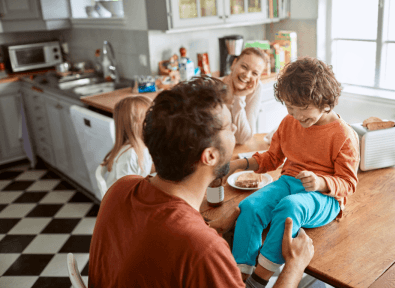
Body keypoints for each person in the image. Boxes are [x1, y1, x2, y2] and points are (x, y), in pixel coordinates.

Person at [88, 76, 314, 288]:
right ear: (210, 156)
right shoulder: (203, 250)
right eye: (228, 126)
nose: (234, 128)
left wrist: (210, 230)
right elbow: (188, 245)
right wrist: (293, 267)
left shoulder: (121, 187)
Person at [228, 57, 360, 283]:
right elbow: (272, 158)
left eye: (304, 108)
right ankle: (240, 276)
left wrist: (320, 182)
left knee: (291, 206)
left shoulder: (344, 135)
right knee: (249, 206)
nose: (297, 116)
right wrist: (237, 164)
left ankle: (259, 279)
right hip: (288, 182)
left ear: (324, 100)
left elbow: (348, 184)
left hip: (324, 197)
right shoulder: (289, 122)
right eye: (290, 107)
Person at [101, 95, 155, 189]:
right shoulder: (130, 155)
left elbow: (143, 170)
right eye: (150, 117)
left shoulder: (141, 147)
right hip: (124, 200)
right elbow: (124, 192)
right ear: (137, 123)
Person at [221, 47, 267, 145]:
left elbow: (243, 138)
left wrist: (239, 97)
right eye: (244, 67)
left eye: (254, 73)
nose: (247, 75)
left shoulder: (256, 88)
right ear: (234, 64)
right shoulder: (215, 85)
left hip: (236, 150)